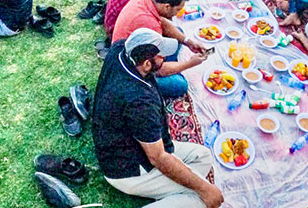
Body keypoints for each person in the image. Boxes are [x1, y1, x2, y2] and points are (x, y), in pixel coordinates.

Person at [91, 28, 222, 208]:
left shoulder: (120, 49)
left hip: (123, 142)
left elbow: (159, 70)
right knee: (201, 197)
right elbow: (158, 157)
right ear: (146, 64)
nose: (165, 58)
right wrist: (205, 189)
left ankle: (171, 192)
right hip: (127, 168)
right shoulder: (140, 102)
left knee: (203, 156)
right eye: (161, 55)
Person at [112, 0, 208, 99]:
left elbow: (163, 23)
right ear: (167, 6)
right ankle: (171, 67)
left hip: (135, 49)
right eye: (178, 10)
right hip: (131, 69)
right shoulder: (150, 25)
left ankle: (172, 64)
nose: (178, 14)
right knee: (180, 85)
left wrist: (188, 42)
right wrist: (189, 64)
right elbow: (158, 69)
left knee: (179, 33)